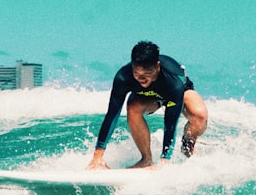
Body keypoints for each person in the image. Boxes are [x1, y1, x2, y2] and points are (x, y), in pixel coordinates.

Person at [87, 41, 208, 169]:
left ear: (157, 66)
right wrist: (97, 156)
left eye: (147, 74)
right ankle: (146, 159)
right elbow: (112, 114)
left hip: (175, 92)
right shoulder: (123, 77)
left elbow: (171, 123)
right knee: (133, 107)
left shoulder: (174, 81)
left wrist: (164, 160)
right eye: (137, 74)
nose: (142, 79)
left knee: (200, 116)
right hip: (147, 97)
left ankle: (187, 146)